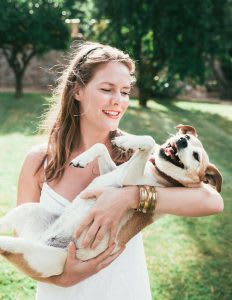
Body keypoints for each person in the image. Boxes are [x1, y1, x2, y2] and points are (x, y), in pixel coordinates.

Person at [17, 41, 224, 300]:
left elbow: (212, 201)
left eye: (125, 91)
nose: (118, 101)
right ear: (77, 90)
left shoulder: (139, 154)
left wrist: (129, 197)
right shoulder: (39, 162)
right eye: (107, 89)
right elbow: (24, 250)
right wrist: (65, 277)